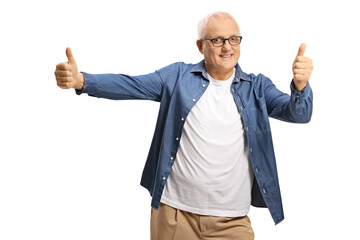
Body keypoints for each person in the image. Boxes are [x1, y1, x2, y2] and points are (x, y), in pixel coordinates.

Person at [54, 11, 313, 240]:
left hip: (231, 220)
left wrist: (300, 87)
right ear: (201, 46)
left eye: (234, 39)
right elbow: (132, 85)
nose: (227, 47)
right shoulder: (177, 77)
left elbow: (298, 114)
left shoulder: (257, 87)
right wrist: (81, 81)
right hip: (174, 214)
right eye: (217, 40)